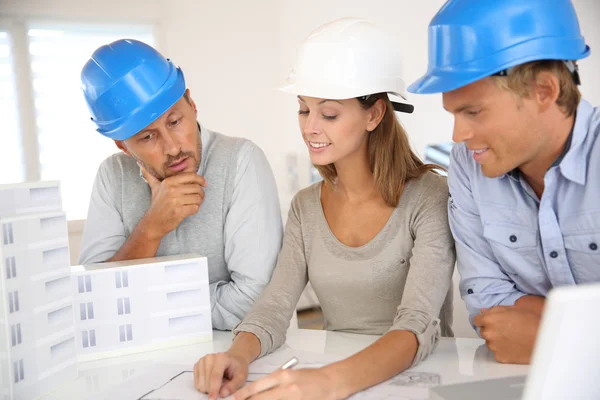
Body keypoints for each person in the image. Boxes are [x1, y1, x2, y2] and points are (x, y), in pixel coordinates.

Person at [193, 18, 455, 400]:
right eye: (303, 110)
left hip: (420, 380)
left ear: (375, 114)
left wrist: (328, 383)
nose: (310, 128)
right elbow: (273, 309)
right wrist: (235, 356)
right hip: (339, 382)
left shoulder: (429, 197)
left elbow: (416, 324)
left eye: (329, 114)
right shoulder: (306, 207)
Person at [408, 0, 599, 364]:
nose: (459, 134)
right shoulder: (468, 164)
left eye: (473, 112)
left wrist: (556, 341)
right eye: (453, 113)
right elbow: (485, 297)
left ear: (544, 91)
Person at [78, 39, 283, 330]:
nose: (173, 148)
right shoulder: (113, 176)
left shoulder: (241, 161)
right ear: (122, 145)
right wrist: (151, 229)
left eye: (175, 122)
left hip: (234, 358)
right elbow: (95, 302)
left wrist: (146, 305)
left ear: (191, 103)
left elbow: (254, 301)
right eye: (148, 137)